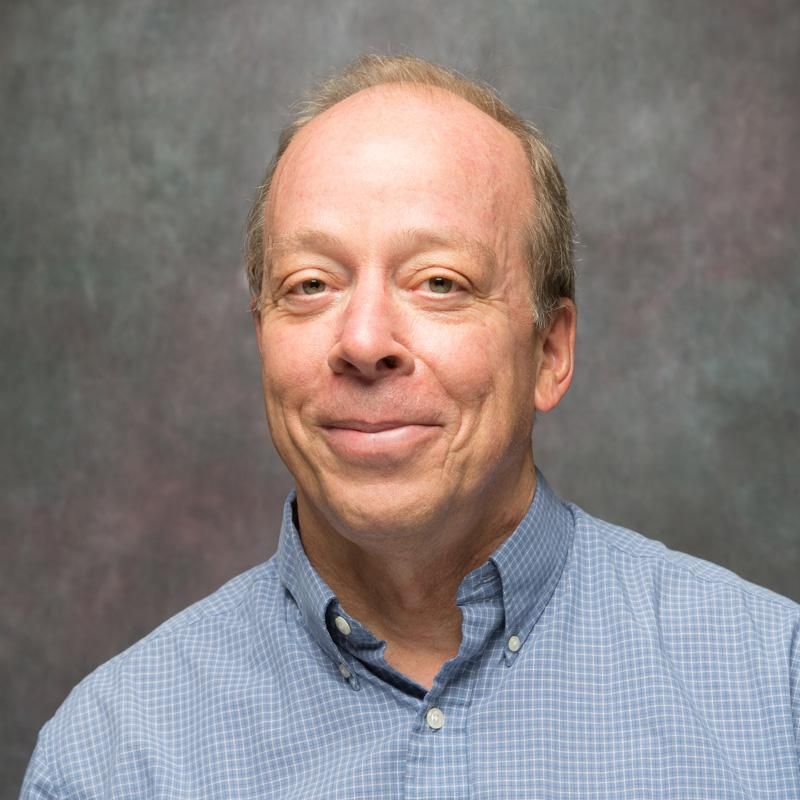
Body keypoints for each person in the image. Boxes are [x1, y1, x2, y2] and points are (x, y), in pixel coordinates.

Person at [22, 54, 799, 799]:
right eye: (310, 284)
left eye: (439, 282)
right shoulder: (111, 758)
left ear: (550, 352)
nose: (364, 342)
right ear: (262, 334)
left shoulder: (774, 691)